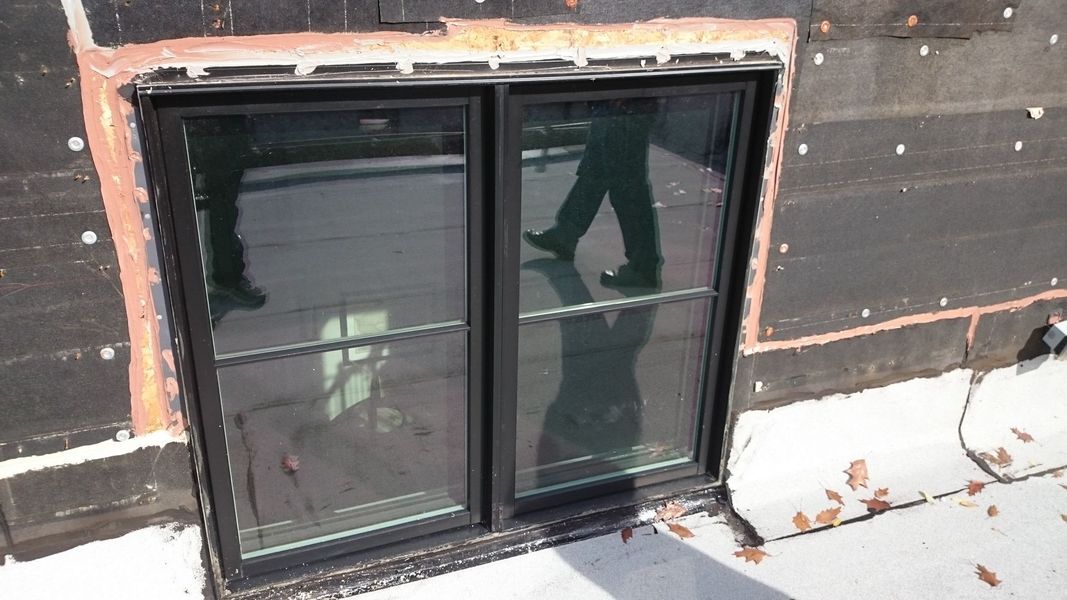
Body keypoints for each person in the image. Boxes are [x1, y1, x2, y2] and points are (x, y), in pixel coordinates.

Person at [523, 98, 663, 289]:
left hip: (624, 105)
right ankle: (566, 234)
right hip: (618, 105)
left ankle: (643, 266)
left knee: (626, 187)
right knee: (598, 172)